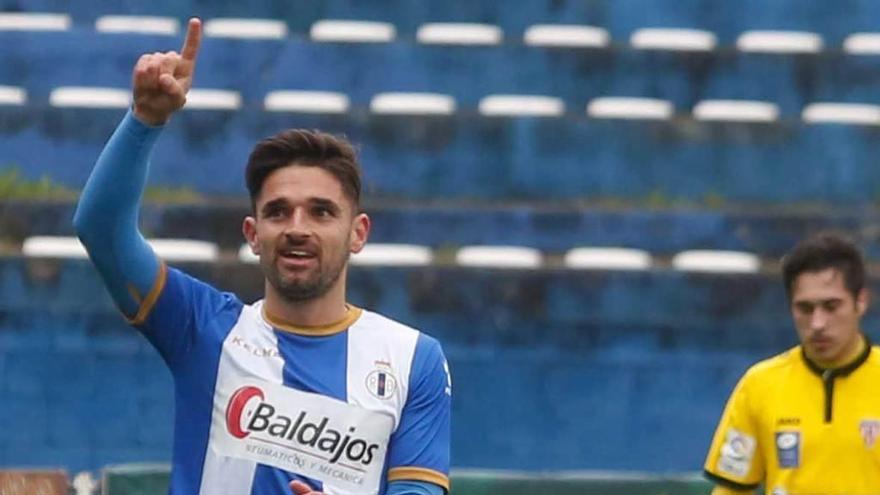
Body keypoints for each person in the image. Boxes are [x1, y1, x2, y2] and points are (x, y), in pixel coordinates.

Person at [73, 18, 450, 495]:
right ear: (253, 233)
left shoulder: (412, 358)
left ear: (358, 233)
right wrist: (145, 119)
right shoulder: (204, 329)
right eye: (278, 212)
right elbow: (101, 230)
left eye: (320, 212)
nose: (297, 228)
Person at [703, 232, 880, 495]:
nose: (818, 324)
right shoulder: (760, 385)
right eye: (805, 309)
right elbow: (731, 490)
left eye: (831, 306)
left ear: (861, 301)